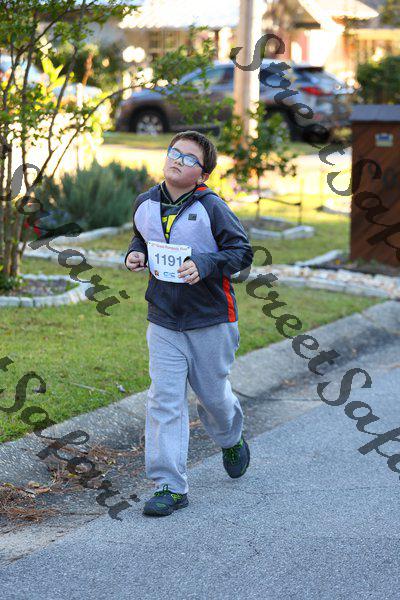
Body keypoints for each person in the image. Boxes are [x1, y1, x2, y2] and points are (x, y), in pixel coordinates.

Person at [125, 130, 254, 517]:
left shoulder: (212, 207)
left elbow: (241, 251)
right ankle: (169, 485)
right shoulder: (145, 203)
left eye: (189, 158)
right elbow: (142, 237)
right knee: (163, 400)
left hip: (211, 320)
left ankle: (231, 438)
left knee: (213, 398)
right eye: (174, 152)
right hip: (164, 319)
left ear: (203, 174)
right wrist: (135, 254)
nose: (178, 161)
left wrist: (205, 263)